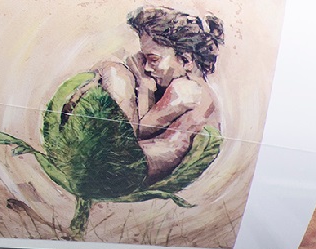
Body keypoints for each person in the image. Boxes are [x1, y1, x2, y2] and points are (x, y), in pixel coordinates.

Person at [93, 6, 224, 184]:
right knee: (111, 70)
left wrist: (144, 84)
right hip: (140, 163)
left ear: (186, 60)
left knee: (113, 70)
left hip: (135, 165)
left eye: (153, 60)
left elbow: (140, 130)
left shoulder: (185, 88)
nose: (147, 67)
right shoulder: (196, 88)